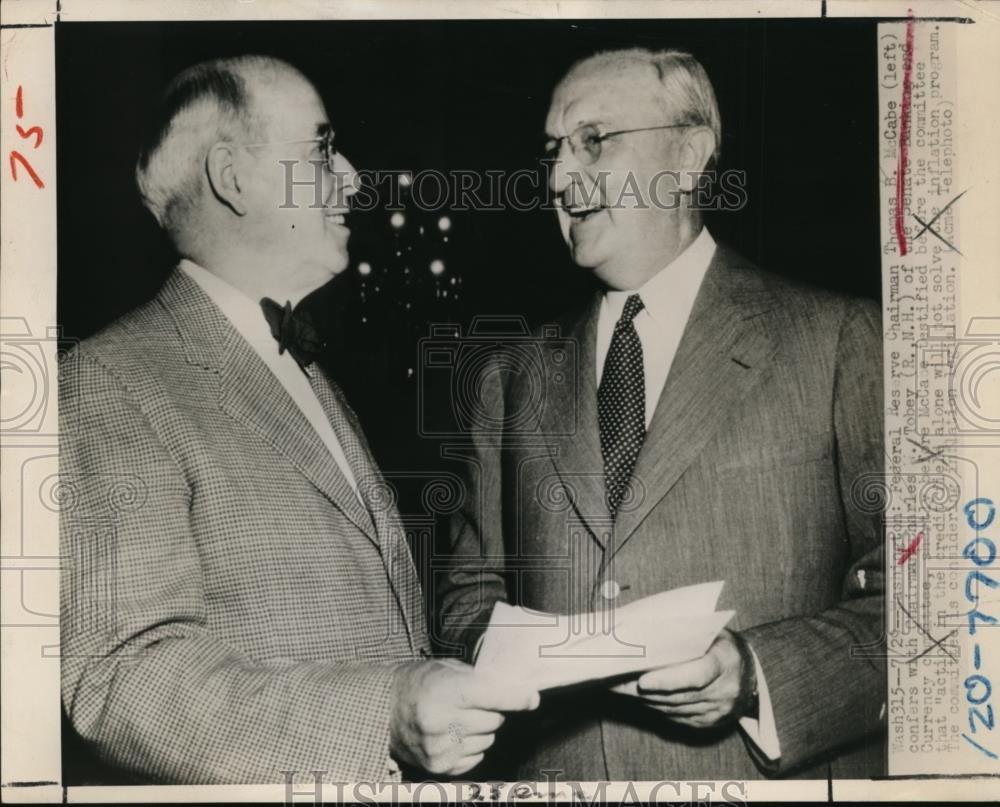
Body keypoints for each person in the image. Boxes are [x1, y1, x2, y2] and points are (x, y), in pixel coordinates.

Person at [59, 55, 537, 785]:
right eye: (322, 149)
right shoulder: (108, 382)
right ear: (232, 177)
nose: (353, 177)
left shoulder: (308, 374)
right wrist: (383, 714)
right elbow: (125, 678)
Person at [437, 48, 885, 780]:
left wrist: (755, 675)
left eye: (593, 141)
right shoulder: (508, 376)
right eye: (552, 151)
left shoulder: (842, 341)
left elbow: (921, 609)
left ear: (689, 154)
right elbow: (466, 596)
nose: (557, 178)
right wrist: (504, 655)